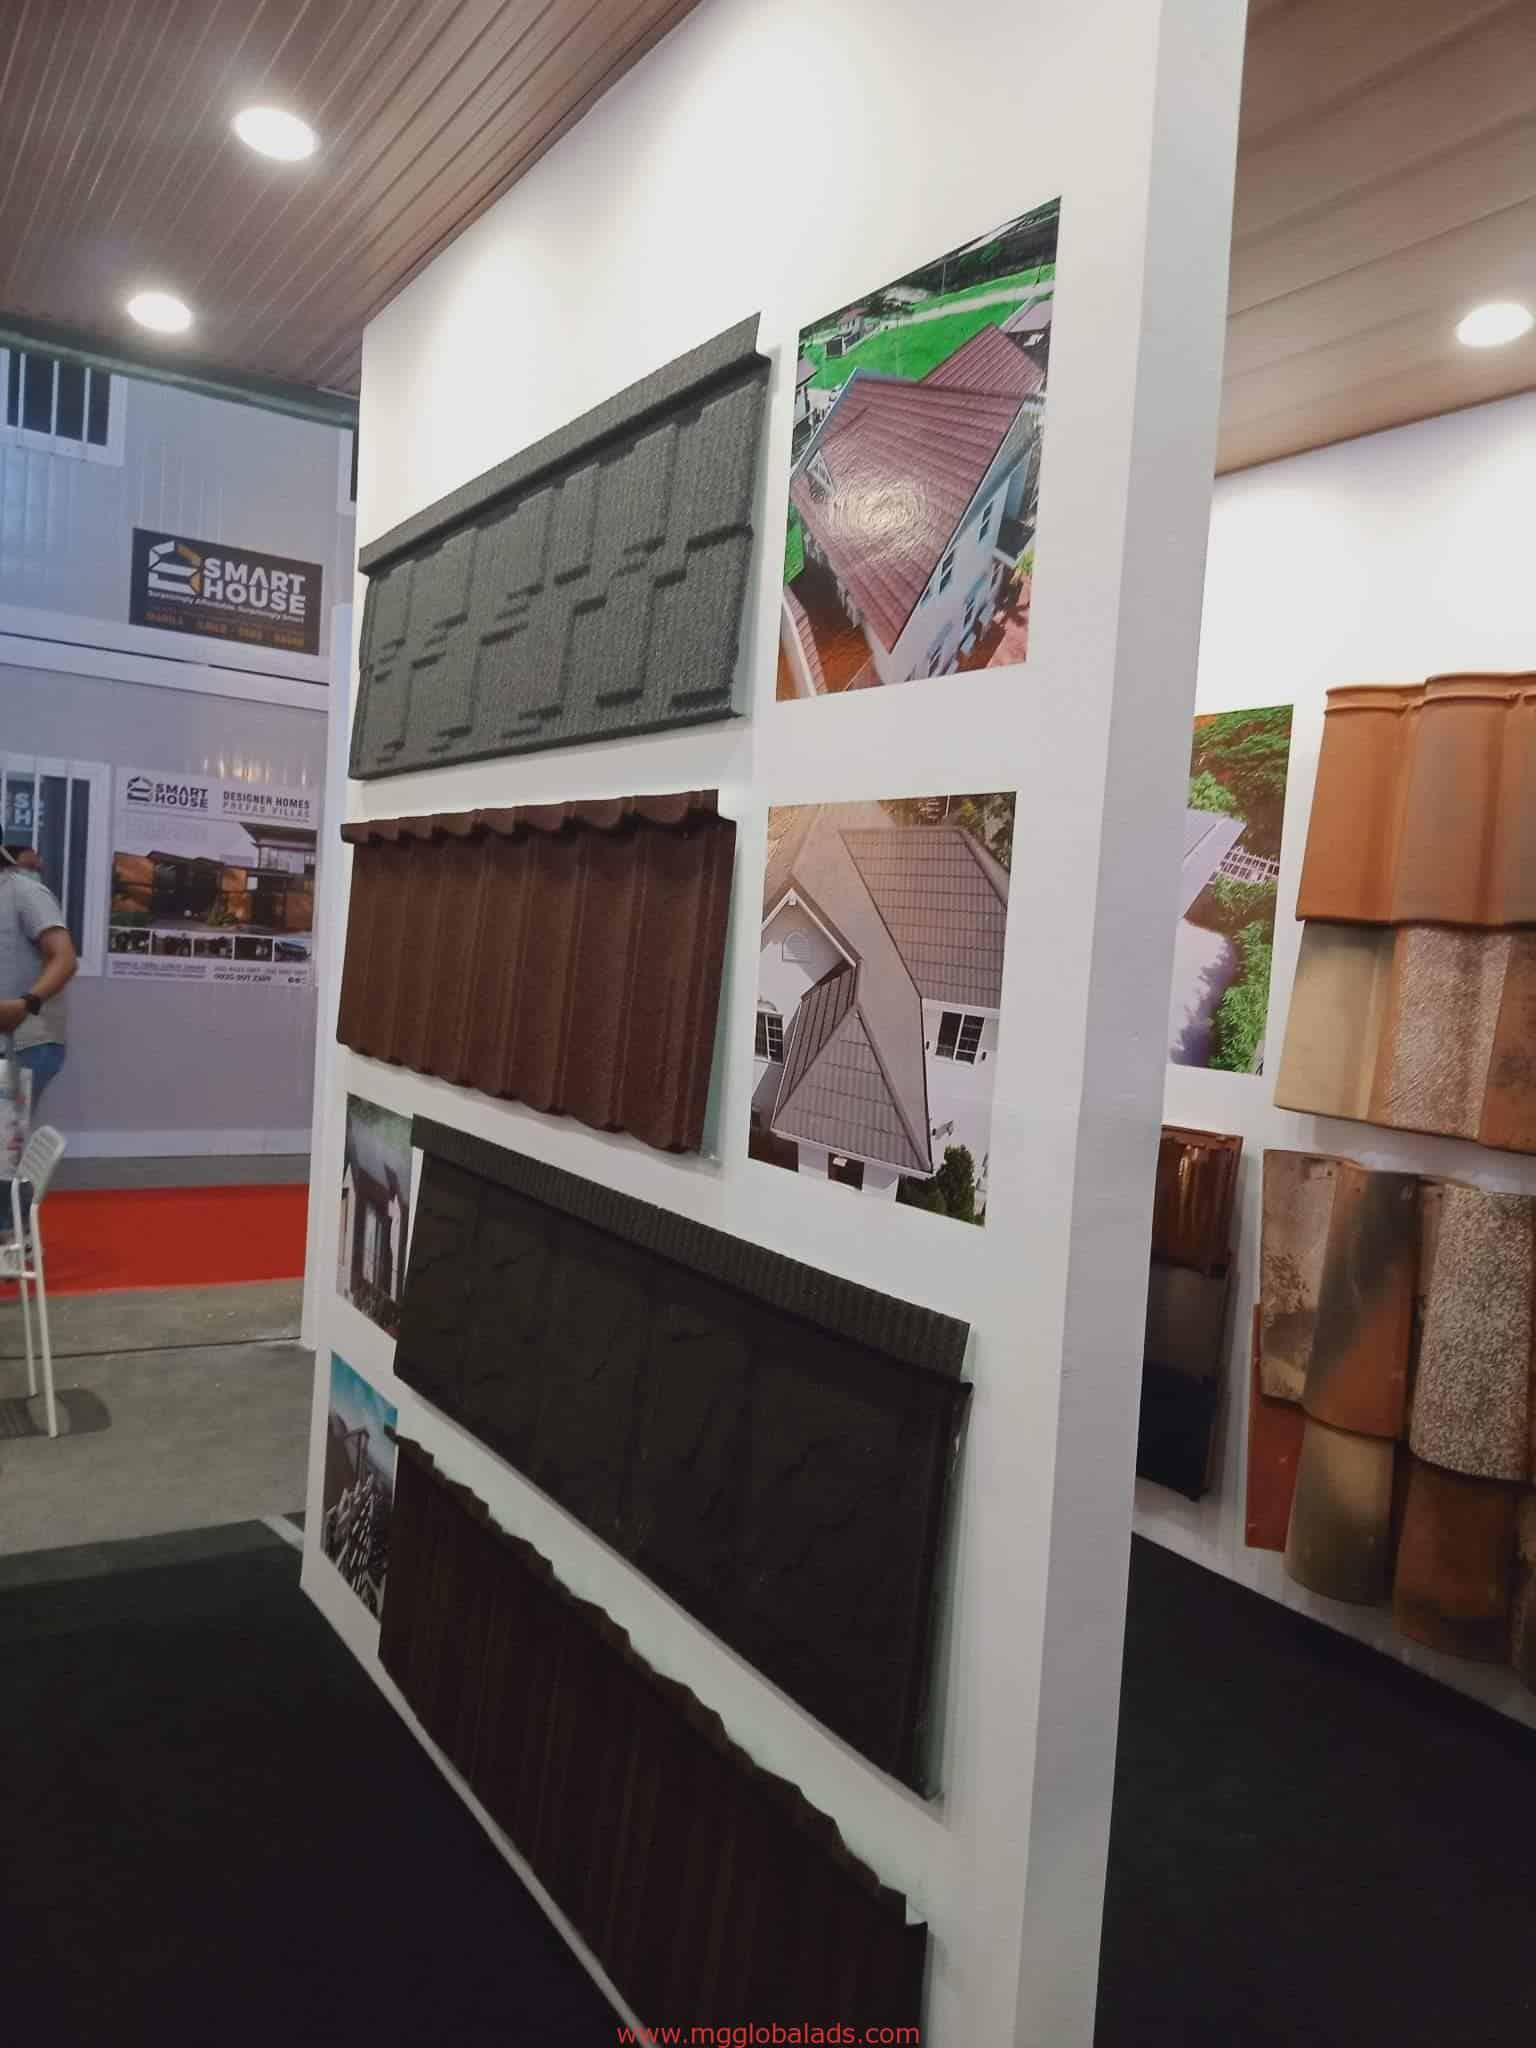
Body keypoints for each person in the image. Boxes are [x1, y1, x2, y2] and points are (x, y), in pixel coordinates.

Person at [1, 841, 78, 1134]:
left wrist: (26, 1003)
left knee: (5, 1141)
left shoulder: (26, 893)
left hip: (26, 1042)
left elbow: (65, 958)